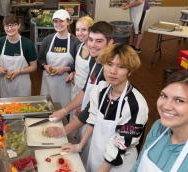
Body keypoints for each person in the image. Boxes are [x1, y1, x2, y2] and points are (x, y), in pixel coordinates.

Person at [62, 43, 148, 172]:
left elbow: (120, 145)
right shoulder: (100, 90)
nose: (113, 71)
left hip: (118, 165)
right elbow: (93, 119)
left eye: (121, 67)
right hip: (95, 155)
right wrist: (80, 145)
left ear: (130, 71)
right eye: (109, 64)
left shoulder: (136, 105)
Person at [45, 21, 115, 165]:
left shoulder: (110, 72)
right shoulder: (94, 60)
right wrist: (64, 111)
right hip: (88, 122)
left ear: (110, 42)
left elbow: (91, 109)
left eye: (99, 41)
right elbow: (86, 89)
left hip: (103, 133)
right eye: (90, 40)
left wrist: (63, 131)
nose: (92, 45)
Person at [38, 9, 80, 108]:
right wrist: (45, 66)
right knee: (47, 108)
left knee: (64, 109)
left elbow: (79, 65)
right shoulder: (48, 39)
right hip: (48, 82)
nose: (58, 24)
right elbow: (40, 59)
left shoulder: (75, 42)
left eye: (61, 21)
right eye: (55, 21)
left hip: (66, 83)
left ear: (68, 22)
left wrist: (65, 69)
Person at [0, 14, 37, 97]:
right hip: (4, 84)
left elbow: (34, 66)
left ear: (19, 25)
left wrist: (19, 71)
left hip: (22, 84)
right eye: (7, 26)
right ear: (4, 27)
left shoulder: (27, 43)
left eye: (13, 25)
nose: (10, 28)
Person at [69, 15, 94, 118]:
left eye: (84, 29)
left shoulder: (94, 52)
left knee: (82, 121)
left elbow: (95, 80)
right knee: (73, 118)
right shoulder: (79, 46)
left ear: (91, 31)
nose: (80, 33)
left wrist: (85, 105)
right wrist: (73, 73)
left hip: (88, 94)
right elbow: (77, 67)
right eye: (77, 29)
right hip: (76, 90)